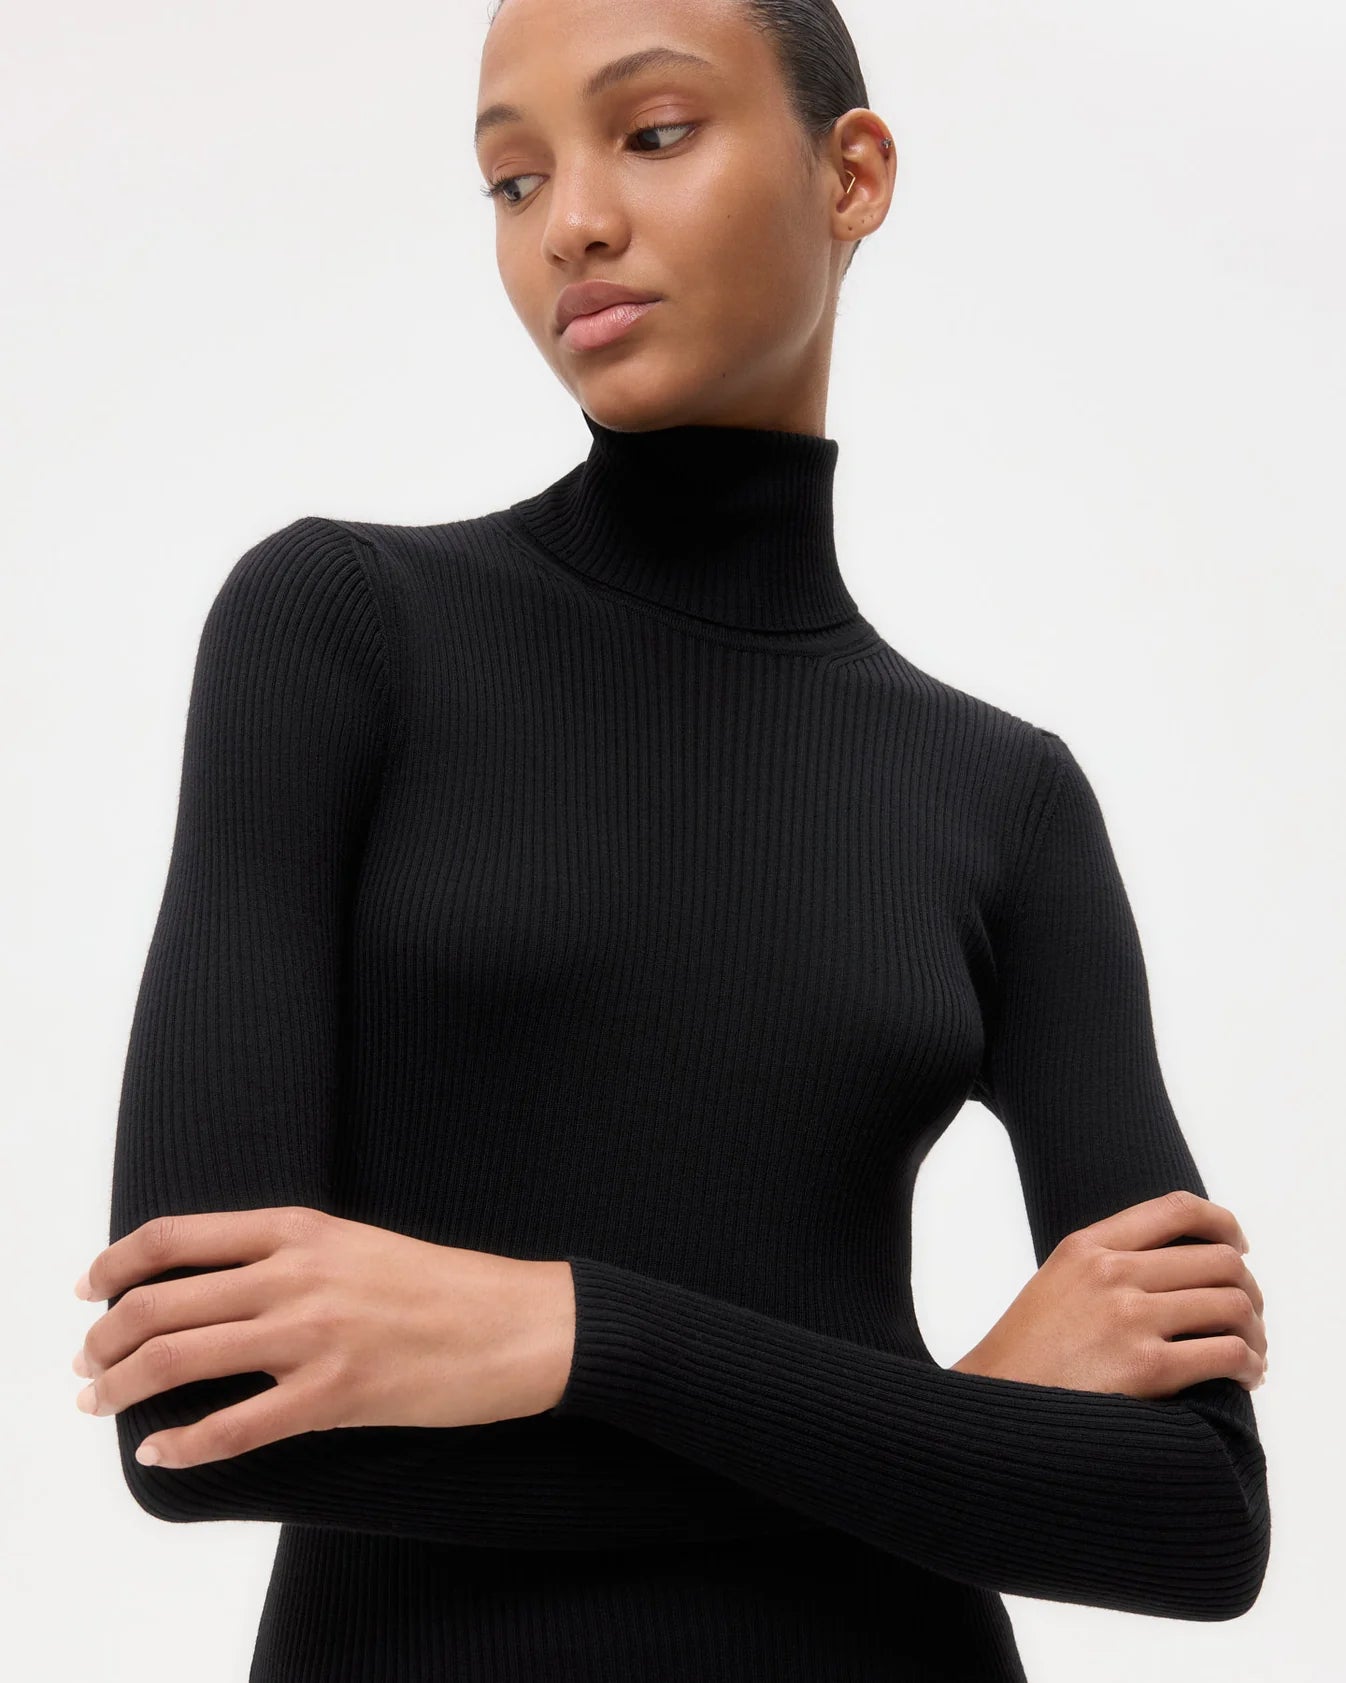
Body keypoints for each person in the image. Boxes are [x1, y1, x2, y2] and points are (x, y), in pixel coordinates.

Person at [74, 1, 1271, 1678]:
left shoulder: (1003, 796)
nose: (570, 222)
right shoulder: (341, 628)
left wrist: (568, 1331)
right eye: (511, 179)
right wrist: (952, 1424)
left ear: (851, 174)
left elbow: (1193, 1518)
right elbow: (196, 1413)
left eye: (650, 134)